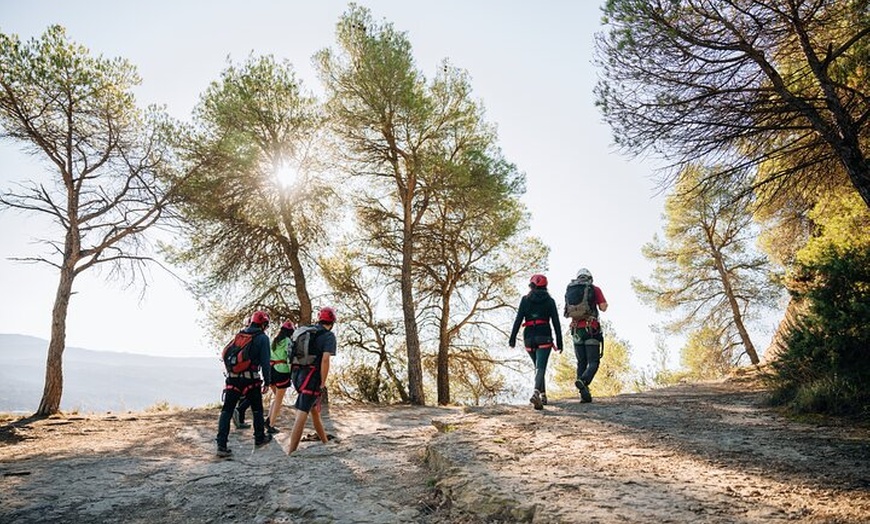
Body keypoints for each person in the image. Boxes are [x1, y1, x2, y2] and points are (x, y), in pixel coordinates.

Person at [215, 311, 273, 457]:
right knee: (257, 409)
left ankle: (221, 445)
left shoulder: (239, 336)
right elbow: (266, 362)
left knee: (227, 410)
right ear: (264, 324)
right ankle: (259, 438)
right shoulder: (262, 338)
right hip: (251, 379)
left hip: (232, 379)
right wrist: (267, 381)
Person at [287, 307, 338, 454]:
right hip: (311, 377)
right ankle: (291, 452)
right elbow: (325, 360)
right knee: (302, 414)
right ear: (332, 322)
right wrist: (322, 382)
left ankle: (325, 442)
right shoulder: (328, 336)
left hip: (297, 375)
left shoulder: (308, 331)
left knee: (314, 410)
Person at [509, 274, 563, 410]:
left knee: (538, 367)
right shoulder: (550, 301)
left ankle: (543, 395)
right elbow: (556, 323)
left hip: (529, 338)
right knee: (541, 367)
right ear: (545, 286)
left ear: (531, 286)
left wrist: (513, 338)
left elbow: (518, 319)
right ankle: (536, 393)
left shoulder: (525, 299)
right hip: (544, 336)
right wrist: (560, 341)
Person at [565, 268, 608, 403]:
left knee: (581, 362)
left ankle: (584, 394)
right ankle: (583, 381)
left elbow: (567, 311)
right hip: (591, 329)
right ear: (590, 278)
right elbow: (603, 307)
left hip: (576, 330)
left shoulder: (570, 289)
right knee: (593, 361)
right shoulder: (594, 289)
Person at [264, 320, 296, 434]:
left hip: (271, 370)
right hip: (282, 371)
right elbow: (289, 358)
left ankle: (268, 420)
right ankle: (271, 425)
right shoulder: (288, 341)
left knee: (276, 397)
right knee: (279, 400)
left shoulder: (275, 341)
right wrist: (292, 373)